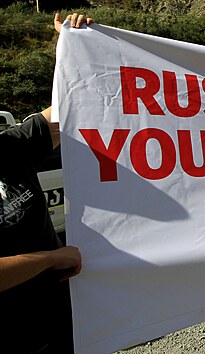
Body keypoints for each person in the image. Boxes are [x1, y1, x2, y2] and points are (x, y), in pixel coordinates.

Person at [0, 13, 93, 352]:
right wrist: (51, 259)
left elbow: (65, 112)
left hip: (61, 319)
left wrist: (72, 47)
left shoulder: (7, 147)